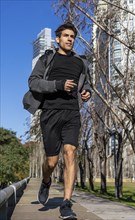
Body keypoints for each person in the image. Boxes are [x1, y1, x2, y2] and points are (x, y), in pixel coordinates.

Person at [25, 22, 91, 219]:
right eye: (66, 36)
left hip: (72, 112)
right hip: (50, 112)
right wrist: (58, 85)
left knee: (70, 153)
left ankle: (66, 204)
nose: (70, 39)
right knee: (52, 161)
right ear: (58, 38)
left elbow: (85, 83)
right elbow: (33, 82)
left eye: (72, 36)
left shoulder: (81, 62)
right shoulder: (47, 59)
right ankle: (46, 180)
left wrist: (86, 92)